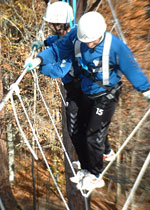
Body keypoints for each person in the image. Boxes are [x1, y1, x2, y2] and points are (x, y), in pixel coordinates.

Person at [25, 11, 150, 191]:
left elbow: (132, 68)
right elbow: (57, 49)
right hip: (87, 91)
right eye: (86, 41)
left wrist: (146, 90)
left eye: (93, 41)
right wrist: (39, 59)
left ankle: (96, 174)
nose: (89, 44)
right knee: (76, 131)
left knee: (93, 134)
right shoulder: (77, 37)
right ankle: (86, 168)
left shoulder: (114, 46)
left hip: (107, 95)